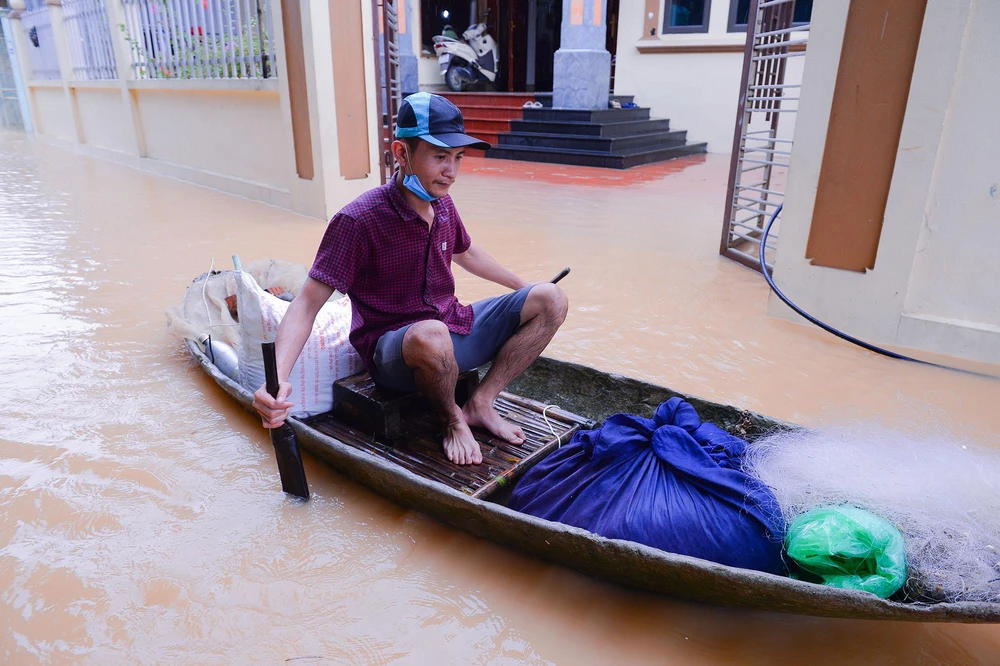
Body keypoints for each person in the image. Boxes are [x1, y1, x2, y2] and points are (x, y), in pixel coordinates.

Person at [252, 92, 568, 466]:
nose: (452, 171)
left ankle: (481, 402)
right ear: (402, 154)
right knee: (430, 333)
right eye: (439, 157)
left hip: (452, 327)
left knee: (552, 298)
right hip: (397, 354)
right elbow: (306, 303)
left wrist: (523, 289)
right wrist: (279, 380)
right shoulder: (358, 220)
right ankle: (452, 420)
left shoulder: (443, 203)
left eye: (458, 158)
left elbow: (465, 252)